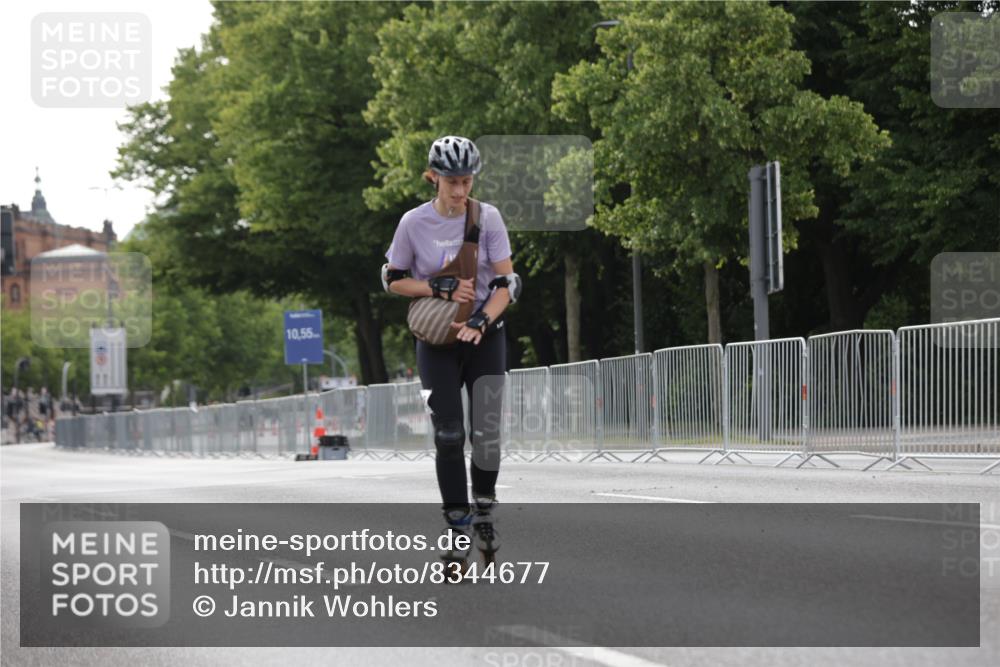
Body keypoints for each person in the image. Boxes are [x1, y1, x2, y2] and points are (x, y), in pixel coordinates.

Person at [381, 135, 522, 569]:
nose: (460, 191)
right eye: (451, 182)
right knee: (447, 434)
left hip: (484, 337)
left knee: (487, 434)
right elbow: (392, 279)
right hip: (436, 342)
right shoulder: (413, 223)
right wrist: (434, 287)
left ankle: (485, 510)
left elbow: (507, 284)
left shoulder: (488, 218)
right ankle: (458, 525)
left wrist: (482, 321)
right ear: (433, 178)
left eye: (466, 181)